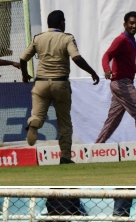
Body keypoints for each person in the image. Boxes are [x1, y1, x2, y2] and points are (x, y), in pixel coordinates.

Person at [20, 10, 101, 154]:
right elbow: (76, 58)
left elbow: (22, 59)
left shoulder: (38, 38)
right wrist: (92, 72)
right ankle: (65, 155)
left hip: (41, 83)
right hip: (60, 83)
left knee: (38, 115)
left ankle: (34, 122)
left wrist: (25, 75)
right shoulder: (67, 38)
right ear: (62, 23)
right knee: (64, 122)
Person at [95, 12, 136, 144]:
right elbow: (106, 55)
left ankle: (96, 148)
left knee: (113, 120)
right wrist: (107, 70)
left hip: (120, 83)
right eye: (131, 23)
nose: (134, 26)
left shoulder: (131, 41)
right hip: (122, 83)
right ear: (125, 24)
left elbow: (131, 65)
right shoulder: (121, 40)